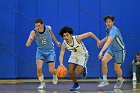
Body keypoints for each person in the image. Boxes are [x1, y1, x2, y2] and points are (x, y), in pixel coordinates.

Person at [59, 26, 100, 91]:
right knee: (70, 71)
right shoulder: (64, 44)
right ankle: (76, 84)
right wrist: (61, 63)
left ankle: (84, 69)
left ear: (71, 34)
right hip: (74, 55)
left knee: (78, 72)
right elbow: (61, 54)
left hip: (83, 55)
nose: (66, 37)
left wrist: (98, 40)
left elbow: (90, 33)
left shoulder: (77, 38)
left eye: (67, 35)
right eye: (64, 36)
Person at [26, 18, 61, 90]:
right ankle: (42, 83)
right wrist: (29, 41)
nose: (37, 27)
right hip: (40, 51)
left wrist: (56, 42)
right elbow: (28, 42)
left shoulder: (48, 28)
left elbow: (51, 35)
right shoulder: (34, 32)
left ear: (43, 25)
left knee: (51, 70)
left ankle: (55, 74)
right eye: (36, 26)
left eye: (39, 26)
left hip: (50, 51)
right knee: (39, 68)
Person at [98, 16, 126, 89]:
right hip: (111, 49)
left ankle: (120, 79)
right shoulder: (107, 29)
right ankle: (105, 80)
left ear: (113, 22)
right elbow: (107, 37)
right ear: (105, 23)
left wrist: (101, 51)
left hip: (119, 51)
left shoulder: (114, 30)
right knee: (103, 61)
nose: (108, 23)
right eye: (107, 22)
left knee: (116, 67)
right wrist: (101, 41)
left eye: (110, 21)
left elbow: (108, 42)